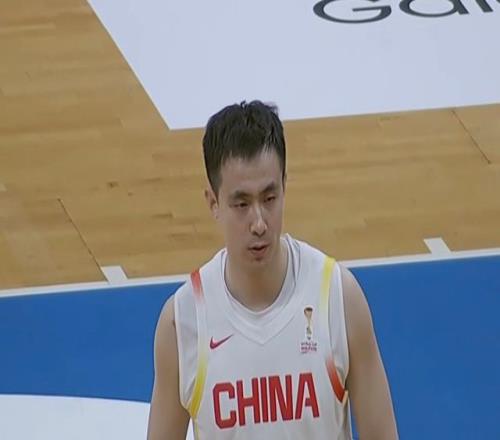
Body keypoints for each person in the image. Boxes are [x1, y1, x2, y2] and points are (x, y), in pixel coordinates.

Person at [147, 100, 398, 439]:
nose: (259, 223)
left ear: (284, 187)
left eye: (269, 198)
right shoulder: (184, 322)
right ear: (213, 203)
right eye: (241, 204)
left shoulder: (338, 299)